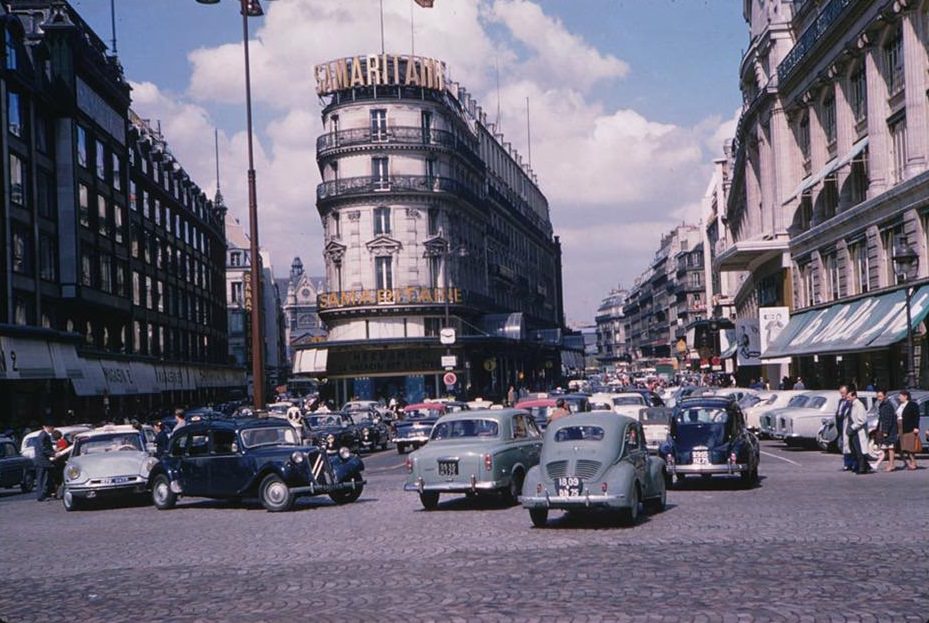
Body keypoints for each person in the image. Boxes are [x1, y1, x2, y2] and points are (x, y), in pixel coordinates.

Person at [845, 388, 871, 475]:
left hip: (858, 431)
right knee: (854, 450)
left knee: (859, 450)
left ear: (854, 396)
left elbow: (862, 420)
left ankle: (862, 467)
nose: (847, 398)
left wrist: (853, 427)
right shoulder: (852, 405)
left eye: (849, 397)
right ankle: (860, 466)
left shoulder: (859, 405)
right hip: (853, 431)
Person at [873, 389, 898, 472]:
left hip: (890, 430)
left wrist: (885, 431)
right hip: (885, 428)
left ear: (884, 396)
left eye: (880, 396)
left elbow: (888, 419)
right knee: (887, 447)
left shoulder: (887, 406)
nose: (879, 398)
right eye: (877, 397)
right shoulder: (882, 405)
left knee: (890, 448)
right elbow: (881, 419)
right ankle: (889, 464)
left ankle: (891, 465)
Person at [33, 420, 56, 501]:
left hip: (41, 461)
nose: (52, 429)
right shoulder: (44, 435)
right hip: (42, 461)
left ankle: (43, 495)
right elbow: (43, 448)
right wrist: (53, 453)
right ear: (47, 427)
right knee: (42, 479)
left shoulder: (42, 435)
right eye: (51, 427)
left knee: (42, 478)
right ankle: (41, 496)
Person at [834, 385, 855, 472]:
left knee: (849, 445)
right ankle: (846, 463)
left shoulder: (850, 402)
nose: (842, 395)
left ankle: (850, 463)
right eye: (841, 393)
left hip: (847, 425)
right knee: (844, 445)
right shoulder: (840, 401)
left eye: (843, 393)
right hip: (840, 424)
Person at [898, 390, 920, 471]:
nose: (899, 397)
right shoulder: (900, 405)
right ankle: (908, 462)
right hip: (901, 428)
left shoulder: (912, 405)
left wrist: (916, 427)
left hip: (909, 428)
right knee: (903, 447)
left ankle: (913, 463)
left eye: (900, 396)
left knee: (910, 447)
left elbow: (916, 416)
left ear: (905, 396)